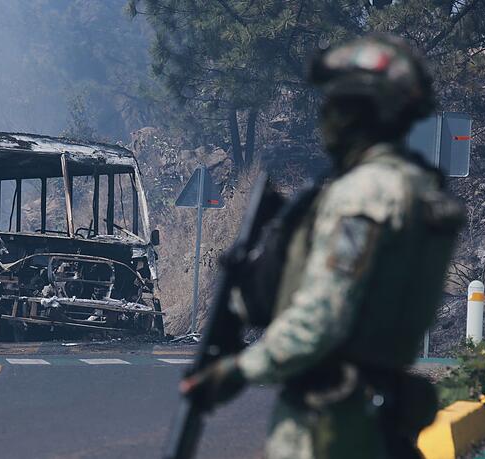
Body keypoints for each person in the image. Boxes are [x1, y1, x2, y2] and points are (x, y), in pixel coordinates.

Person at [181, 34, 465, 458]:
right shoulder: (420, 191)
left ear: (358, 112)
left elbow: (323, 316)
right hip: (380, 418)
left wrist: (238, 371)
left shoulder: (363, 197)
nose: (325, 118)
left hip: (329, 426)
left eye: (335, 105)